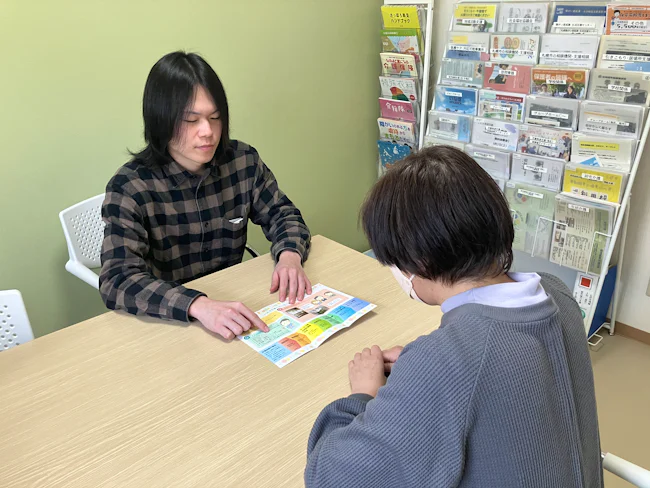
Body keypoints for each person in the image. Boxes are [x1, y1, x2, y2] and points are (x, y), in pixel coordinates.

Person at [304, 146, 602, 487]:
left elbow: (329, 478)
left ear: (418, 262)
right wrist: (421, 371)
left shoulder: (446, 361)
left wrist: (363, 395)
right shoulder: (557, 293)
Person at [100, 51, 312, 340]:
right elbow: (118, 280)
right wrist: (197, 305)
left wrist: (289, 255)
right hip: (170, 323)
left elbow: (283, 214)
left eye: (215, 117)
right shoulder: (130, 186)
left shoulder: (242, 161)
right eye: (191, 120)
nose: (208, 132)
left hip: (234, 306)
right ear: (161, 121)